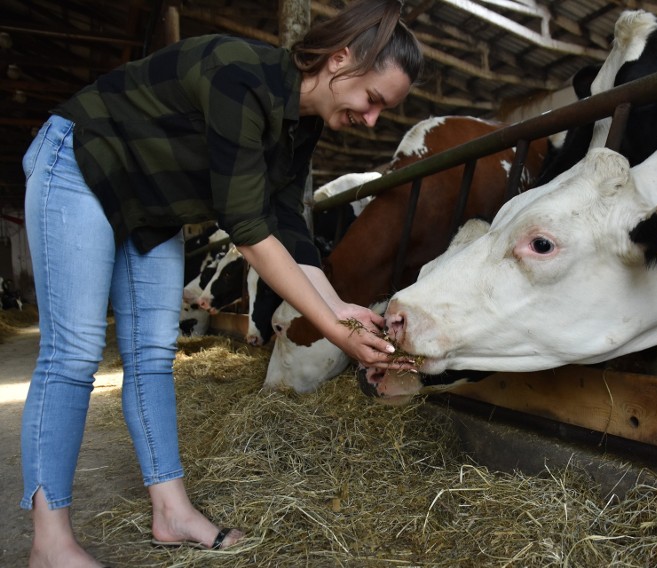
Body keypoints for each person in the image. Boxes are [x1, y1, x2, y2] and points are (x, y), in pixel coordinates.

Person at [19, 0, 423, 565]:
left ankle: (171, 511)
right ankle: (50, 542)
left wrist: (341, 307)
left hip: (154, 206)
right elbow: (250, 230)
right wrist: (331, 326)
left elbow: (288, 229)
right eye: (373, 100)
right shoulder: (240, 74)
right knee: (74, 353)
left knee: (154, 355)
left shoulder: (300, 127)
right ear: (340, 61)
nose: (373, 118)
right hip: (83, 164)